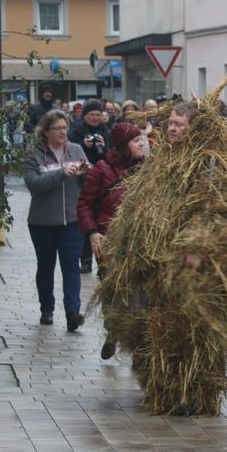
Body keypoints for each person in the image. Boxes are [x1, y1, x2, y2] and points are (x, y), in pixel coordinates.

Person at [93, 93, 227, 416]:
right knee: (159, 329)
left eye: (179, 124)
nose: (172, 129)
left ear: (196, 129)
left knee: (196, 333)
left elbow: (216, 212)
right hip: (159, 266)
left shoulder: (209, 165)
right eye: (170, 123)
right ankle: (166, 392)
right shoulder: (161, 163)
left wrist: (197, 247)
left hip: (197, 269)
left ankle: (195, 394)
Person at [76, 122, 145, 360]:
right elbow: (84, 204)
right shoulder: (101, 170)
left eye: (141, 140)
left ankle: (136, 341)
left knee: (138, 293)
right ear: (124, 145)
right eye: (136, 141)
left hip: (138, 243)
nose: (141, 144)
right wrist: (93, 232)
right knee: (112, 292)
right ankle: (113, 331)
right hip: (109, 243)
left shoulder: (147, 169)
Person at [23, 110, 88, 331]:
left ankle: (73, 313)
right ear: (46, 131)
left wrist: (87, 172)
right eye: (58, 128)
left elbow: (89, 183)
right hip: (42, 222)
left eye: (65, 127)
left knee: (71, 266)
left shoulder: (76, 149)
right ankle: (47, 309)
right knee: (46, 266)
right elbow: (33, 184)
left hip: (72, 220)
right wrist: (61, 172)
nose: (63, 132)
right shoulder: (34, 153)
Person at [68, 99, 113, 274]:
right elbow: (70, 154)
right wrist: (82, 146)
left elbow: (112, 155)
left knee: (102, 222)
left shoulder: (106, 131)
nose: (95, 118)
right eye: (91, 115)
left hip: (103, 183)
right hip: (83, 182)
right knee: (86, 222)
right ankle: (85, 260)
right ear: (84, 116)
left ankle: (102, 263)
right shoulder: (76, 132)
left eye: (98, 115)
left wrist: (105, 145)